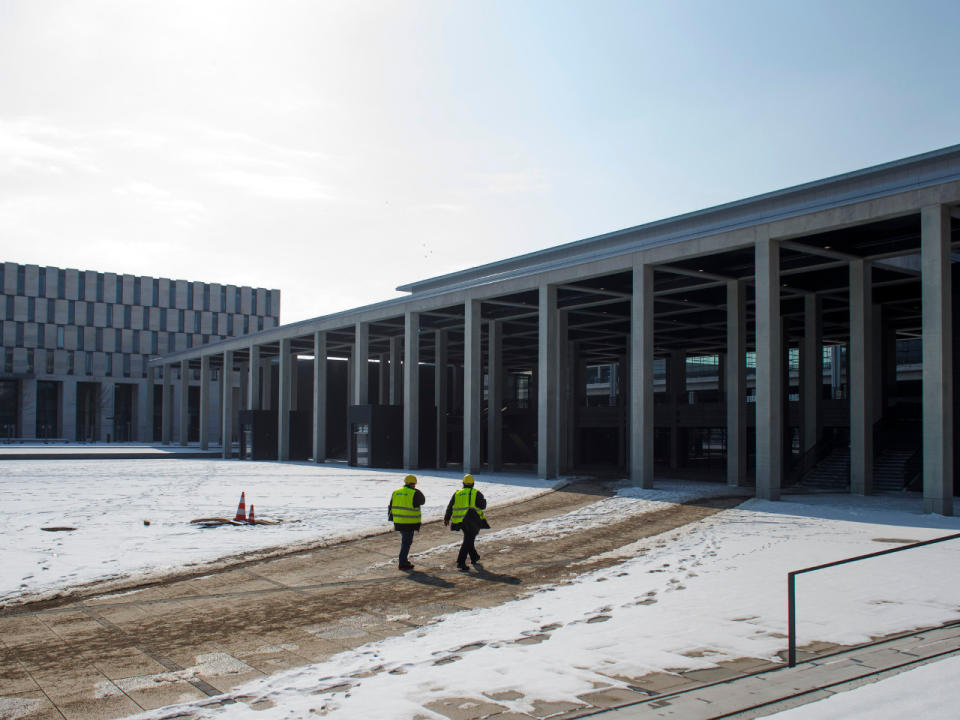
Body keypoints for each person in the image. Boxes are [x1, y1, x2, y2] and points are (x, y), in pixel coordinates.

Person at [443, 474, 490, 571]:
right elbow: (482, 506)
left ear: (463, 483)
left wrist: (447, 518)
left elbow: (450, 506)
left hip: (460, 520)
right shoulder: (476, 493)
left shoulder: (457, 493)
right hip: (473, 519)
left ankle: (474, 557)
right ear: (473, 483)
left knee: (469, 538)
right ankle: (461, 562)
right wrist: (484, 501)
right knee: (468, 540)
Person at [388, 474, 424, 571]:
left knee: (405, 541)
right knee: (406, 542)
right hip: (409, 522)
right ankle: (403, 562)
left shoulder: (396, 492)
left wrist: (392, 518)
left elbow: (390, 506)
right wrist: (417, 491)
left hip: (399, 521)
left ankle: (404, 561)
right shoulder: (414, 493)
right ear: (413, 484)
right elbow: (422, 501)